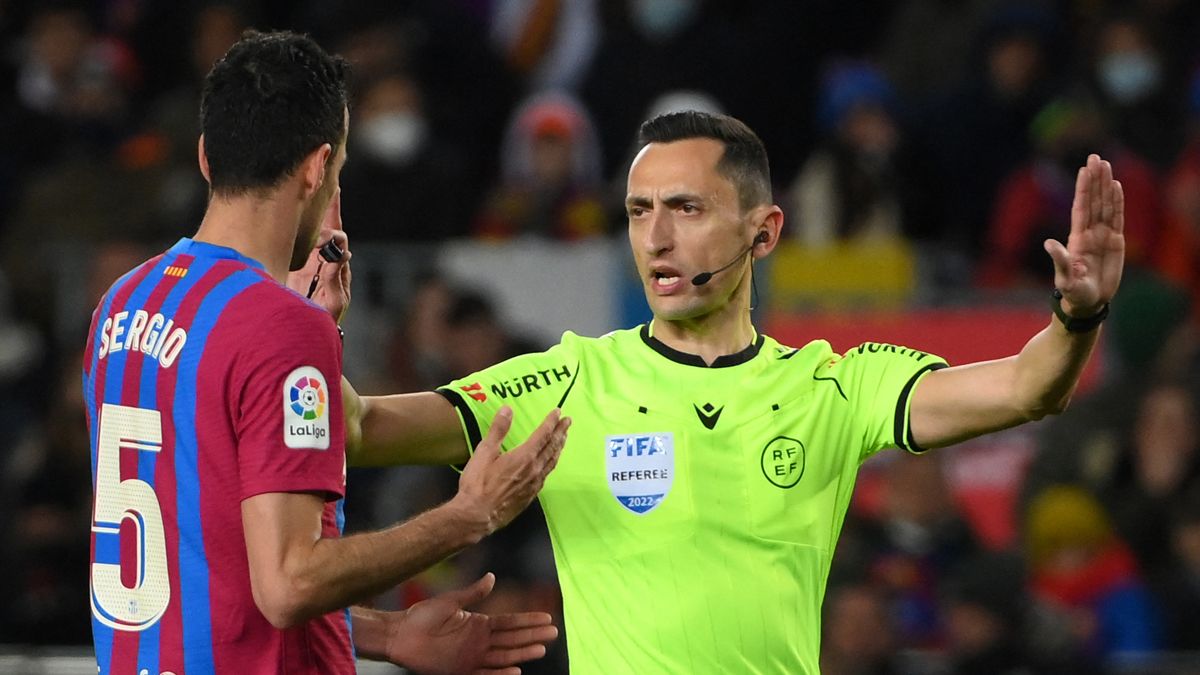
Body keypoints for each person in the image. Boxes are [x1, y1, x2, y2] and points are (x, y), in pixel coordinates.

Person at [323, 111, 1123, 673]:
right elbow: (358, 428)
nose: (657, 237)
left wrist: (1079, 311)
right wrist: (315, 325)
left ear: (764, 232)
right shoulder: (569, 379)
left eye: (687, 208)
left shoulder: (830, 388)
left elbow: (1029, 386)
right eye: (640, 212)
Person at [83, 30, 569, 675]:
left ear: (206, 158)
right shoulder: (276, 326)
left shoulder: (121, 303)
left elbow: (207, 556)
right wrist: (467, 515)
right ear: (317, 168)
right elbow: (289, 585)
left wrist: (382, 635)